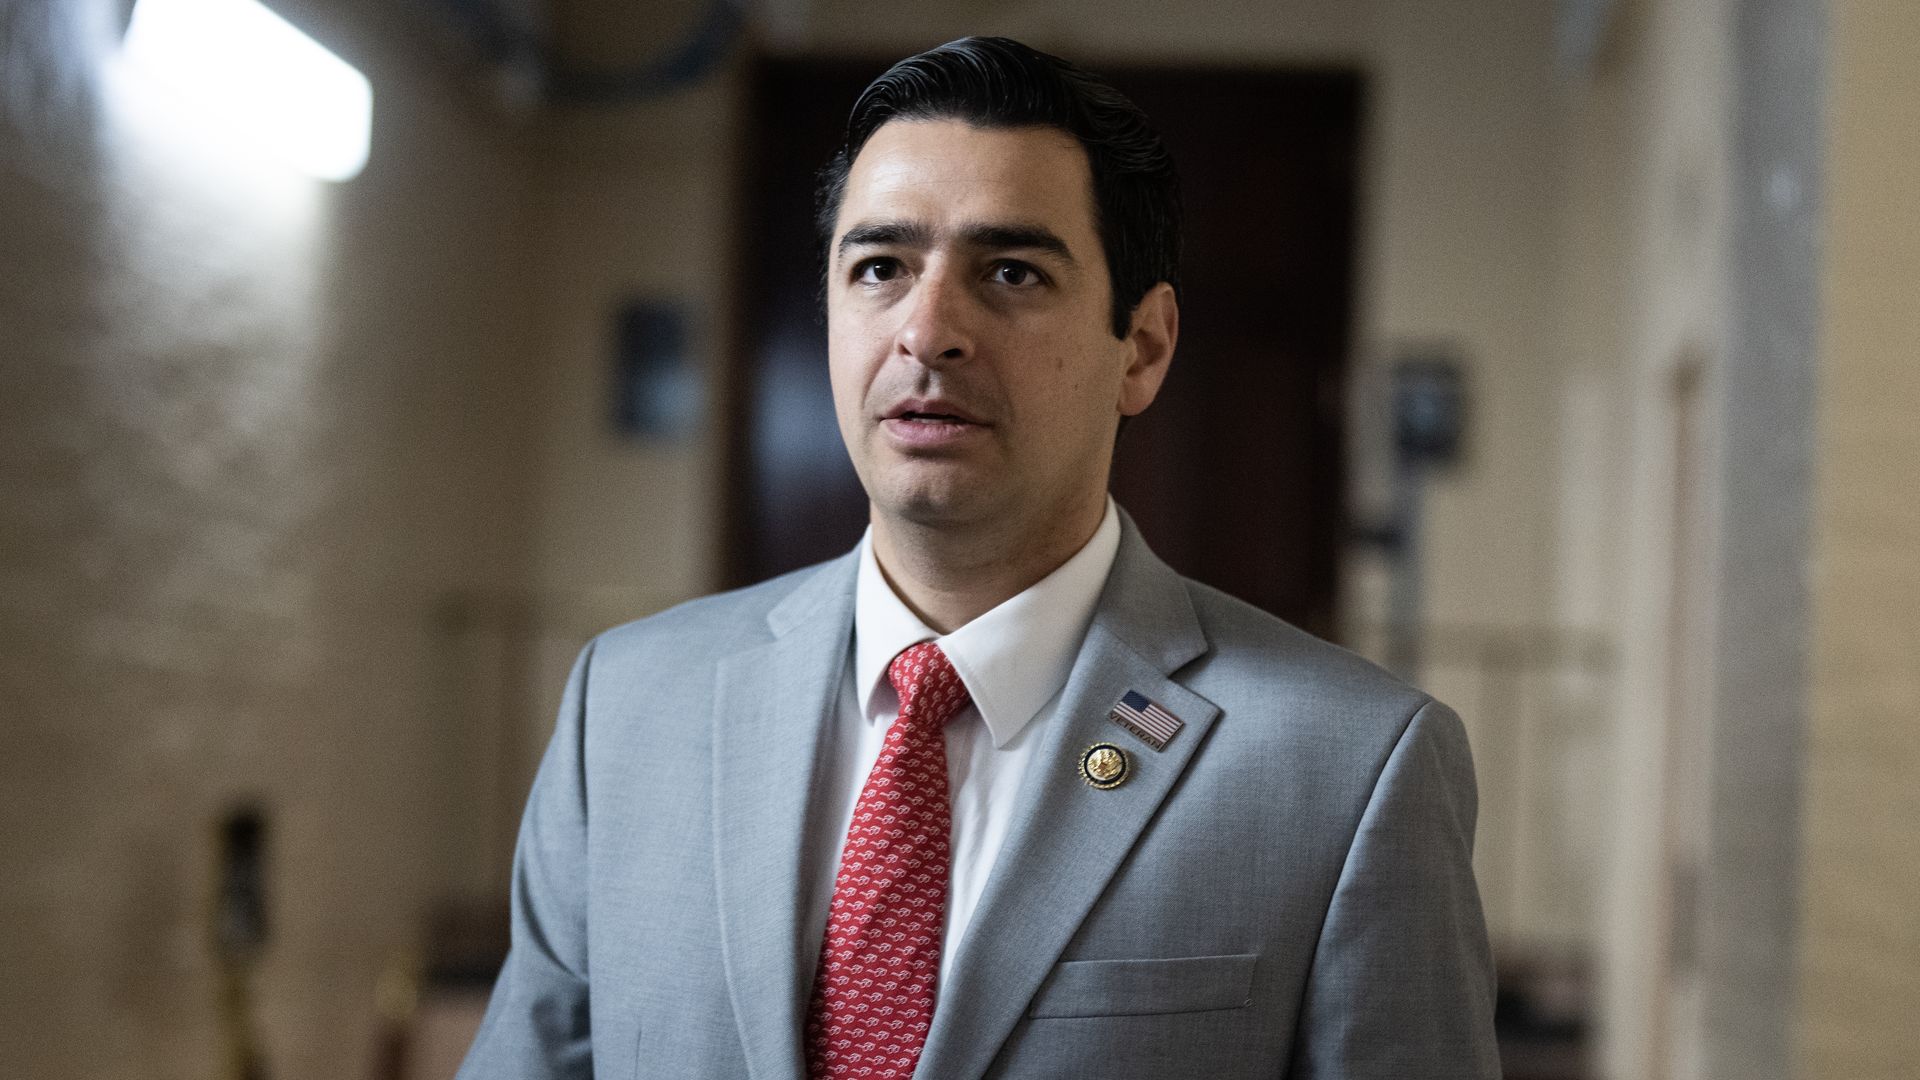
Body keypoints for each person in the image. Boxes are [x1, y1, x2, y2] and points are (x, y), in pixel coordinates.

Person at [457, 36, 1498, 1080]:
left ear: (1142, 347)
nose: (928, 331)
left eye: (1010, 272)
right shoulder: (627, 707)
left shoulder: (1351, 769)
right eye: (880, 268)